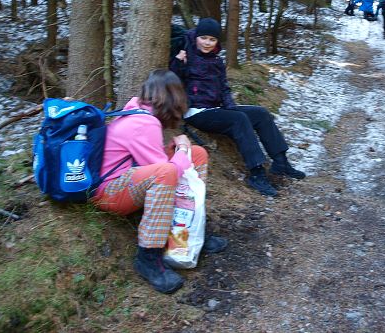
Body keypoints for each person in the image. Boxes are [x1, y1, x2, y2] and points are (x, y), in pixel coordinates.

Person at [91, 69, 228, 294]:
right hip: (109, 193)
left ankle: (189, 232)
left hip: (126, 180)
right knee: (167, 171)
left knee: (197, 154)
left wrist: (182, 151)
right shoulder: (144, 122)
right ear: (173, 97)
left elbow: (152, 161)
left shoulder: (138, 112)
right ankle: (149, 258)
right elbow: (167, 172)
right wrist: (181, 148)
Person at [169, 18, 305, 197]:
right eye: (203, 38)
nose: (207, 43)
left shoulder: (216, 61)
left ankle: (281, 162)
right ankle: (257, 174)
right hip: (196, 111)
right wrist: (178, 62)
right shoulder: (186, 54)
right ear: (196, 37)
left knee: (260, 114)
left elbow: (224, 88)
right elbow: (172, 81)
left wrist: (231, 107)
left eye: (212, 39)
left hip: (216, 108)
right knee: (239, 119)